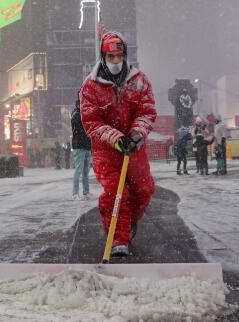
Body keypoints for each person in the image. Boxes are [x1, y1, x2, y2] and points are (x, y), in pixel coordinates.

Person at [80, 31, 157, 257]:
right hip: (107, 151)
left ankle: (128, 221)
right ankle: (118, 239)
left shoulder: (139, 81)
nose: (115, 61)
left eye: (119, 55)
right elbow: (91, 121)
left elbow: (147, 111)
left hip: (134, 148)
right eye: (111, 56)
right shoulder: (90, 87)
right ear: (103, 57)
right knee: (116, 193)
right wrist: (115, 138)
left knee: (144, 189)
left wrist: (136, 134)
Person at [71, 93, 92, 200]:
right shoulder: (77, 114)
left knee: (85, 171)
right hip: (79, 146)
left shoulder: (84, 113)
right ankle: (75, 193)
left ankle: (86, 191)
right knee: (79, 170)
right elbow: (81, 128)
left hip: (87, 145)